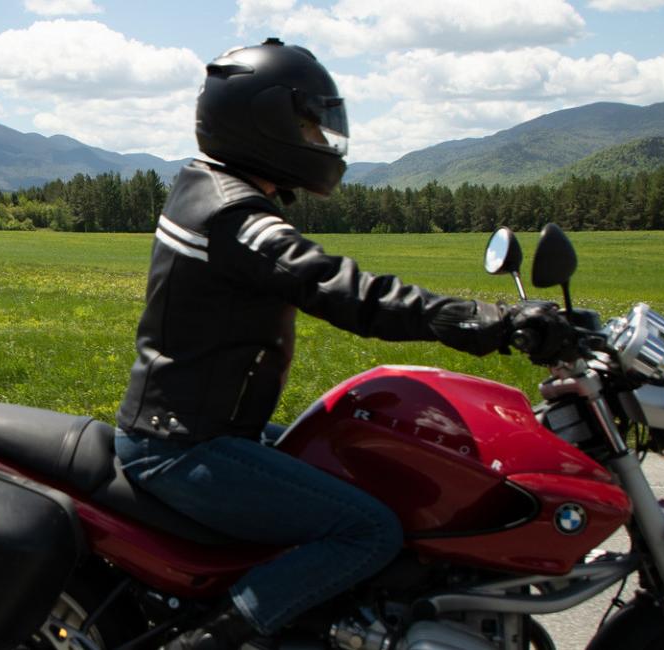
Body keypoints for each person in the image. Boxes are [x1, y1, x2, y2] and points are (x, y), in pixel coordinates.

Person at [114, 38, 565, 650]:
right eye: (308, 124)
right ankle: (214, 640)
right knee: (367, 530)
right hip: (183, 446)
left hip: (202, 428)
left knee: (374, 469)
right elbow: (337, 287)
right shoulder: (233, 217)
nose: (321, 140)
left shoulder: (213, 189)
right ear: (262, 121)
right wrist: (482, 321)